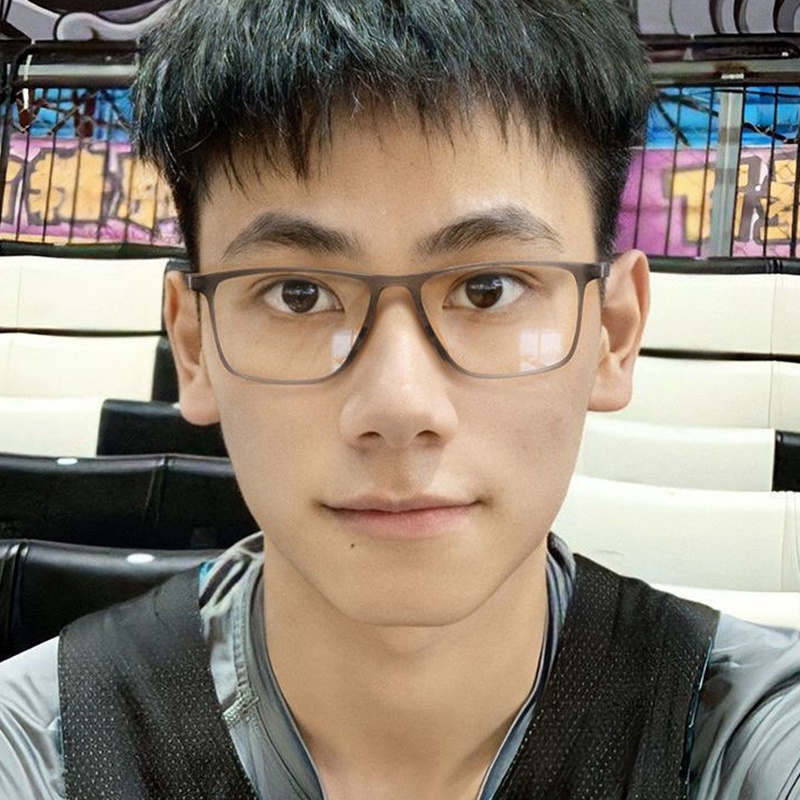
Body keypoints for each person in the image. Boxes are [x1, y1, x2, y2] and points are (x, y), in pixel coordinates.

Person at [2, 1, 800, 798]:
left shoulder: (741, 737)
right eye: (299, 293)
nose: (399, 407)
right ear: (193, 345)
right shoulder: (46, 747)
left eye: (488, 289)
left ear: (613, 334)